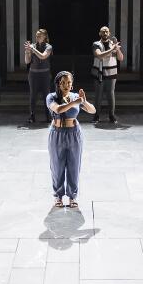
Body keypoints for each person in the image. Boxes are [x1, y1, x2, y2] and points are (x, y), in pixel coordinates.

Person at [47, 70, 95, 209]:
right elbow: (58, 110)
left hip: (74, 133)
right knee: (57, 166)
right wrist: (75, 102)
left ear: (72, 84)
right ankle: (58, 196)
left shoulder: (75, 96)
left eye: (69, 82)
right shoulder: (51, 97)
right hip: (57, 133)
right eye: (63, 83)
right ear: (58, 84)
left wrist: (83, 101)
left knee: (74, 165)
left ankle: (73, 196)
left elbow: (92, 111)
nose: (66, 85)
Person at [91, 25, 123, 124]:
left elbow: (121, 58)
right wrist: (112, 49)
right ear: (100, 34)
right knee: (98, 95)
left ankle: (112, 116)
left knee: (111, 94)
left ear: (109, 33)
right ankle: (96, 116)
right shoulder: (96, 44)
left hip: (111, 72)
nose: (105, 33)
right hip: (99, 73)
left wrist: (117, 49)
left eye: (106, 31)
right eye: (103, 31)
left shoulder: (113, 44)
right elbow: (99, 55)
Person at [24, 28, 53, 124]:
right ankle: (32, 116)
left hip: (44, 74)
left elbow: (43, 56)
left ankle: (48, 116)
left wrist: (32, 49)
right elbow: (27, 61)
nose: (37, 37)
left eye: (39, 35)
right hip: (33, 74)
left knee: (46, 96)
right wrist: (27, 52)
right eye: (36, 35)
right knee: (33, 96)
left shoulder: (48, 47)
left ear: (44, 37)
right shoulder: (32, 46)